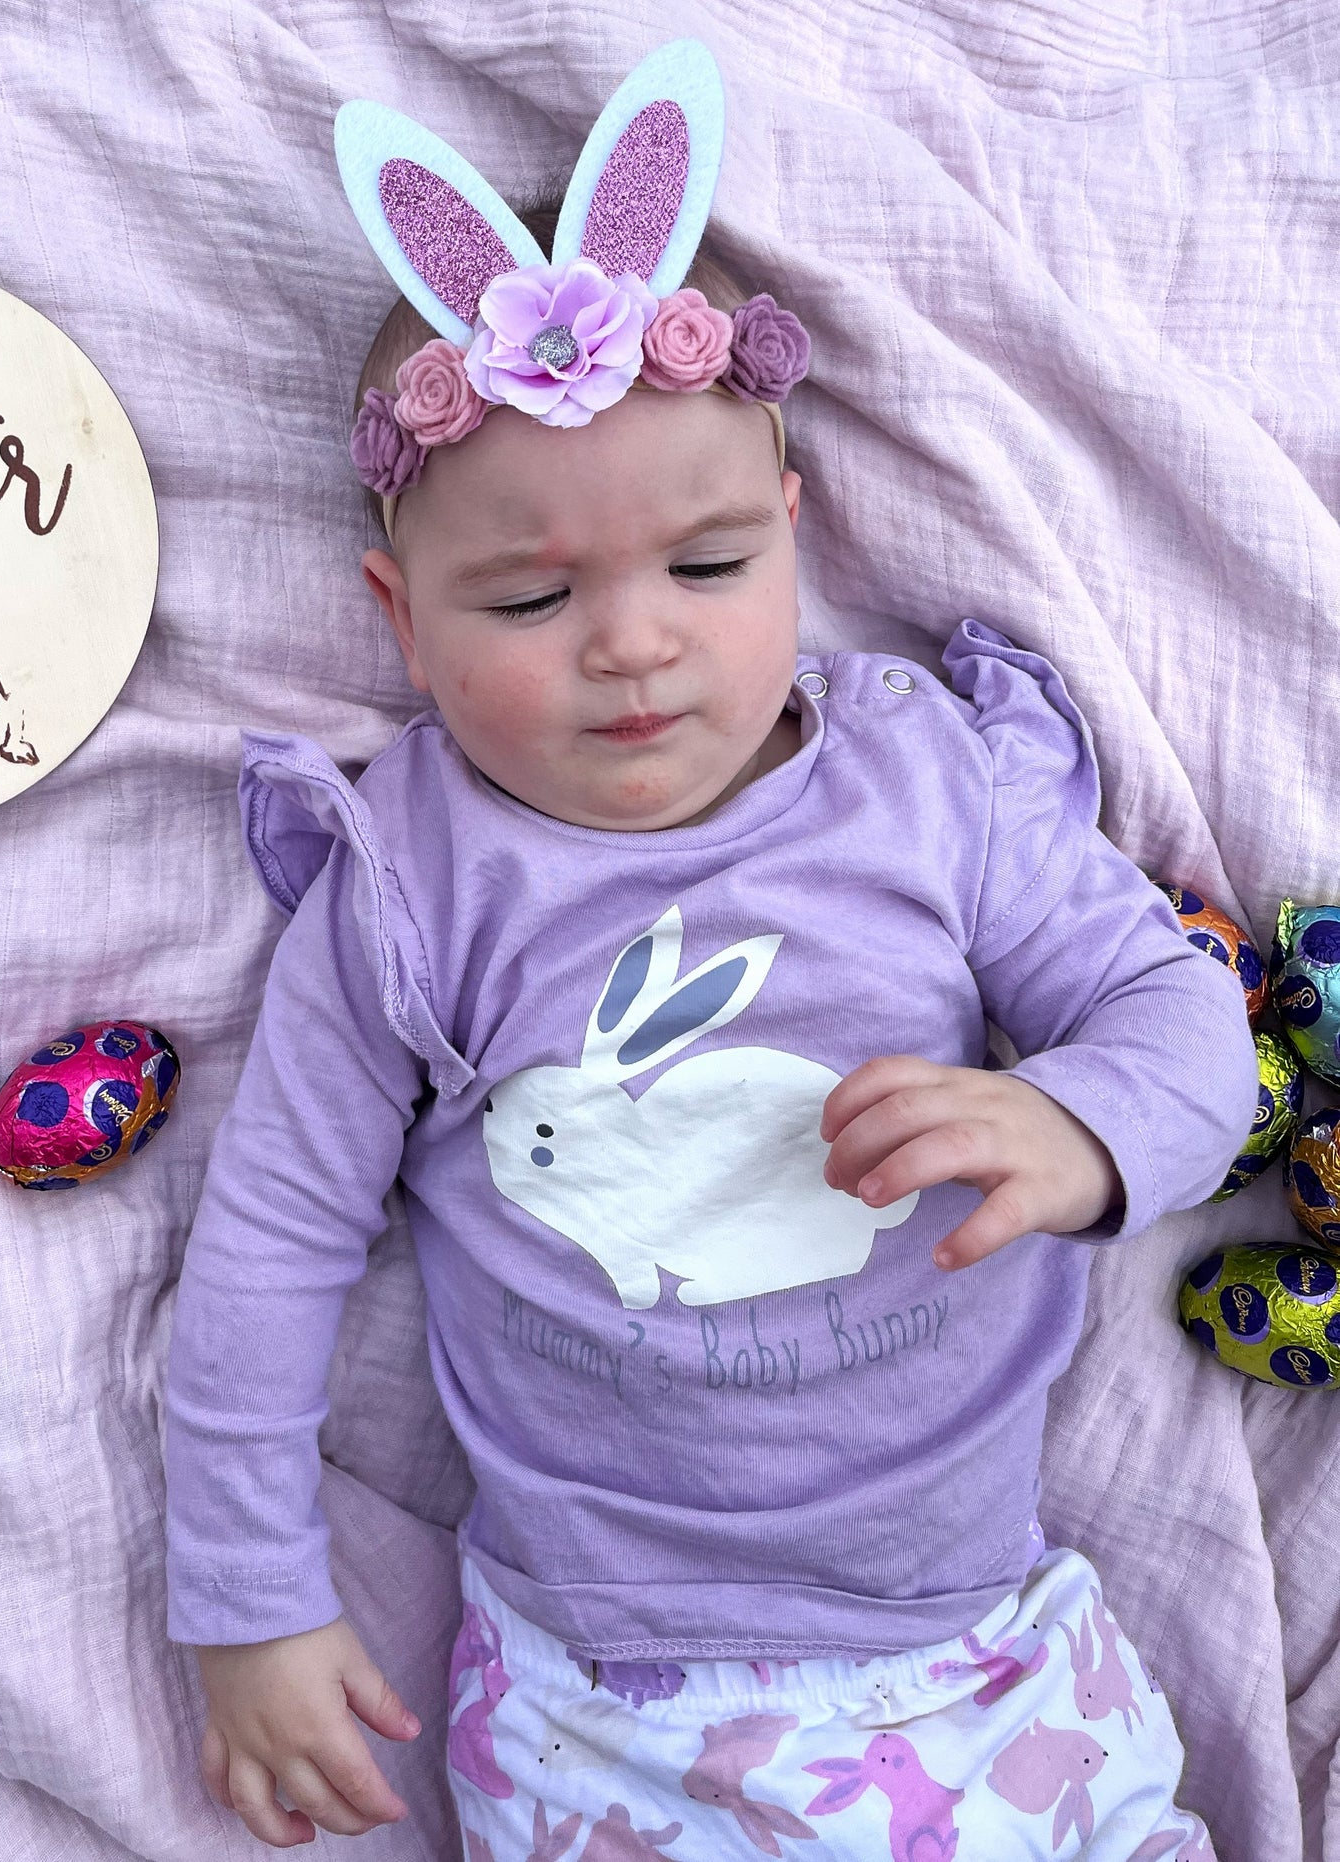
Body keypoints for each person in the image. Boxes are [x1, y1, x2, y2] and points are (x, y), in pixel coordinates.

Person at [162, 40, 1251, 1859]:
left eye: (708, 565)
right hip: (609, 1688)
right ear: (403, 622)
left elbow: (1176, 1014)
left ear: (795, 540)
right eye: (527, 597)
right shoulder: (409, 882)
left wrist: (1075, 1131)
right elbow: (270, 1240)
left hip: (979, 1646)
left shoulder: (925, 787)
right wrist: (245, 1598)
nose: (633, 645)